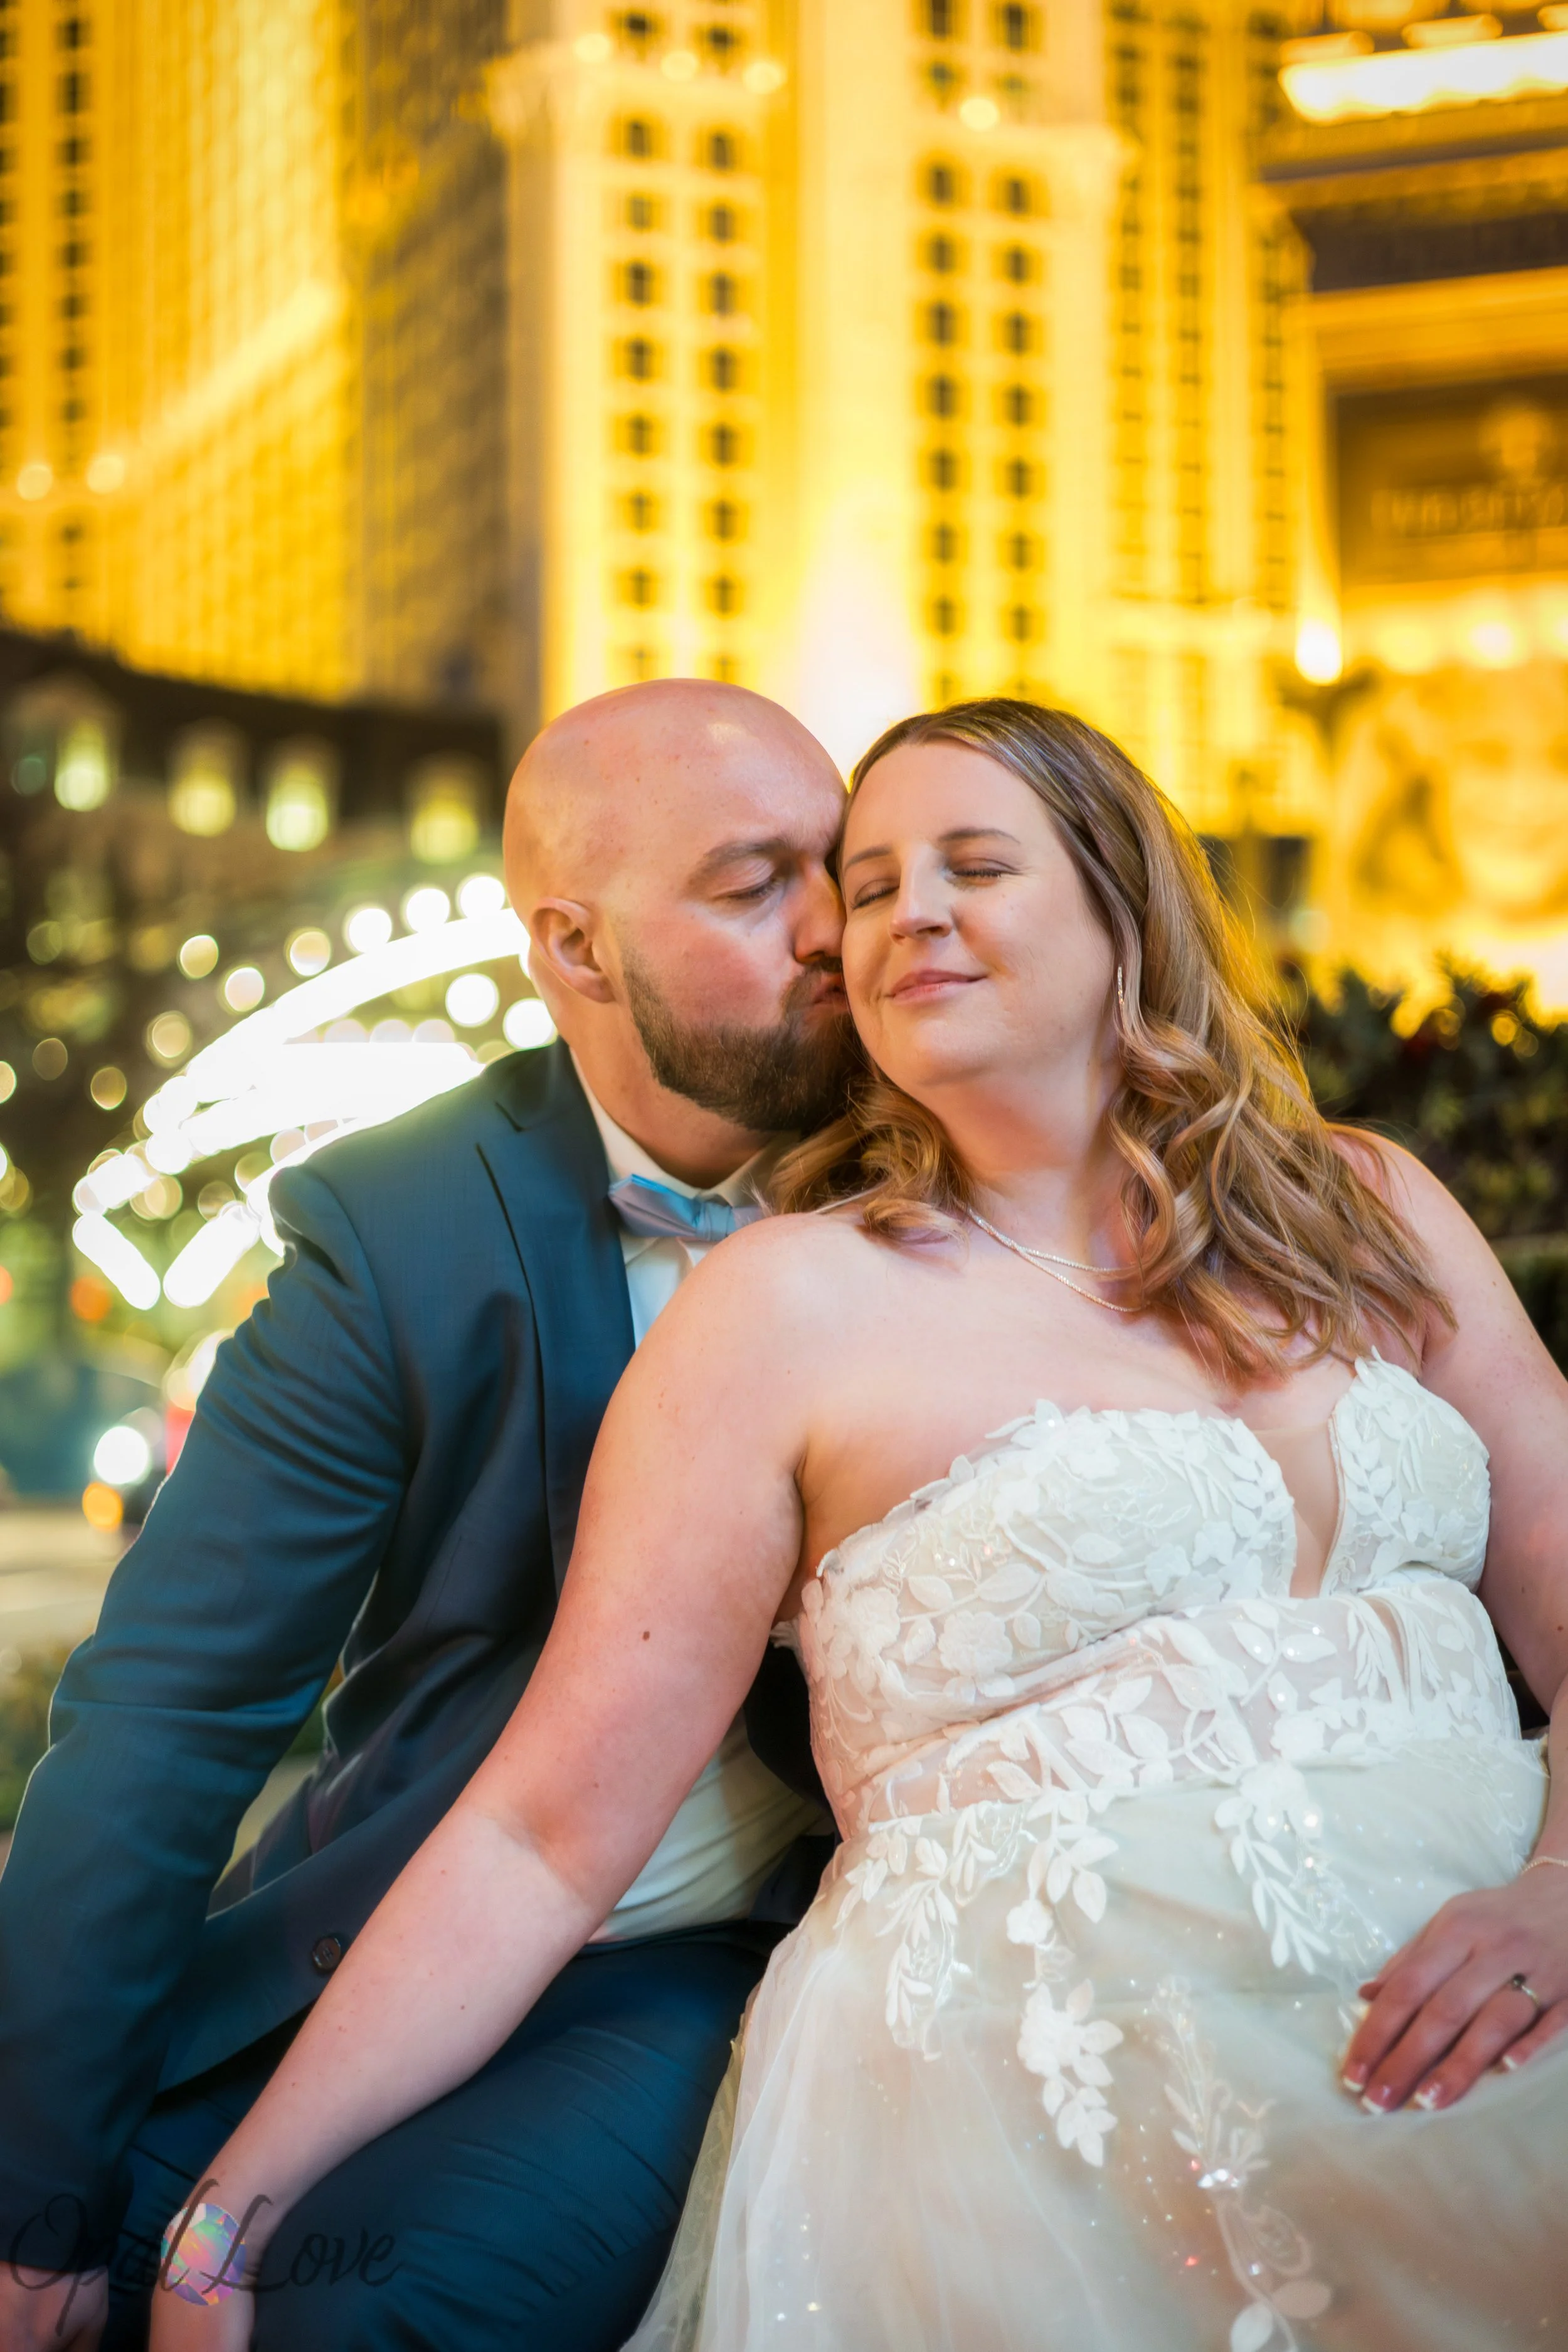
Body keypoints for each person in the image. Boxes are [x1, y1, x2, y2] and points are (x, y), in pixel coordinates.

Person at [150, 699, 1568, 2352]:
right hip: (1033, 2108)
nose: (905, 916)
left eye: (975, 863)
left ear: (1124, 907)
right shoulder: (783, 1308)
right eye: (871, 883)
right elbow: (540, 1831)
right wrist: (229, 2213)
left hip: (1497, 1994)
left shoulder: (1368, 1206)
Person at [0, 678, 849, 2352]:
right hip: (392, 1928)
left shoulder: (961, 1167)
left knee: (355, 2316)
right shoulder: (399, 1229)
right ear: (575, 946)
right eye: (754, 886)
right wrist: (29, 2191)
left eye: (843, 866)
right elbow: (170, 1704)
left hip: (713, 1948)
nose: (831, 928)